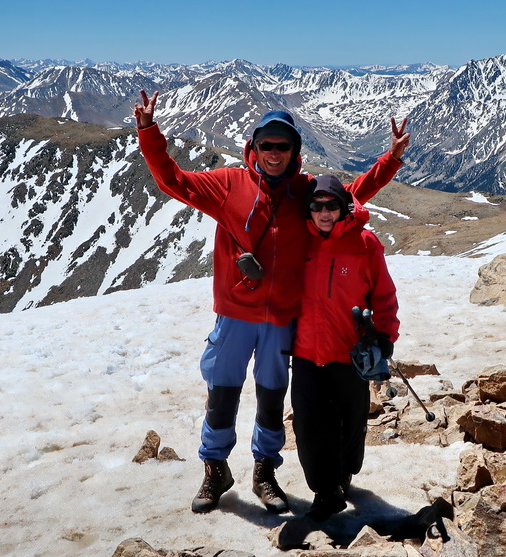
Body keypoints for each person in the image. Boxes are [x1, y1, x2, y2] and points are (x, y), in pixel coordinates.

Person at [132, 90, 409, 514]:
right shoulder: (228, 184)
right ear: (254, 148)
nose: (274, 153)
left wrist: (389, 160)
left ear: (294, 150)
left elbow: (350, 194)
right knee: (222, 393)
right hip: (234, 315)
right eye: (267, 145)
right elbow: (172, 180)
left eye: (283, 146)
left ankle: (265, 470)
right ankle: (215, 469)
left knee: (271, 396)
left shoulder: (304, 192)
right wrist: (149, 132)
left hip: (281, 319)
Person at [290, 174, 399, 521]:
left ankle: (346, 474)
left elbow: (384, 295)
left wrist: (385, 337)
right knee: (308, 426)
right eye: (317, 206)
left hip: (350, 352)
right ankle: (325, 492)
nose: (324, 213)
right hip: (306, 352)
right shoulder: (298, 242)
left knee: (351, 422)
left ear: (343, 207)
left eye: (331, 206)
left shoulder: (365, 243)